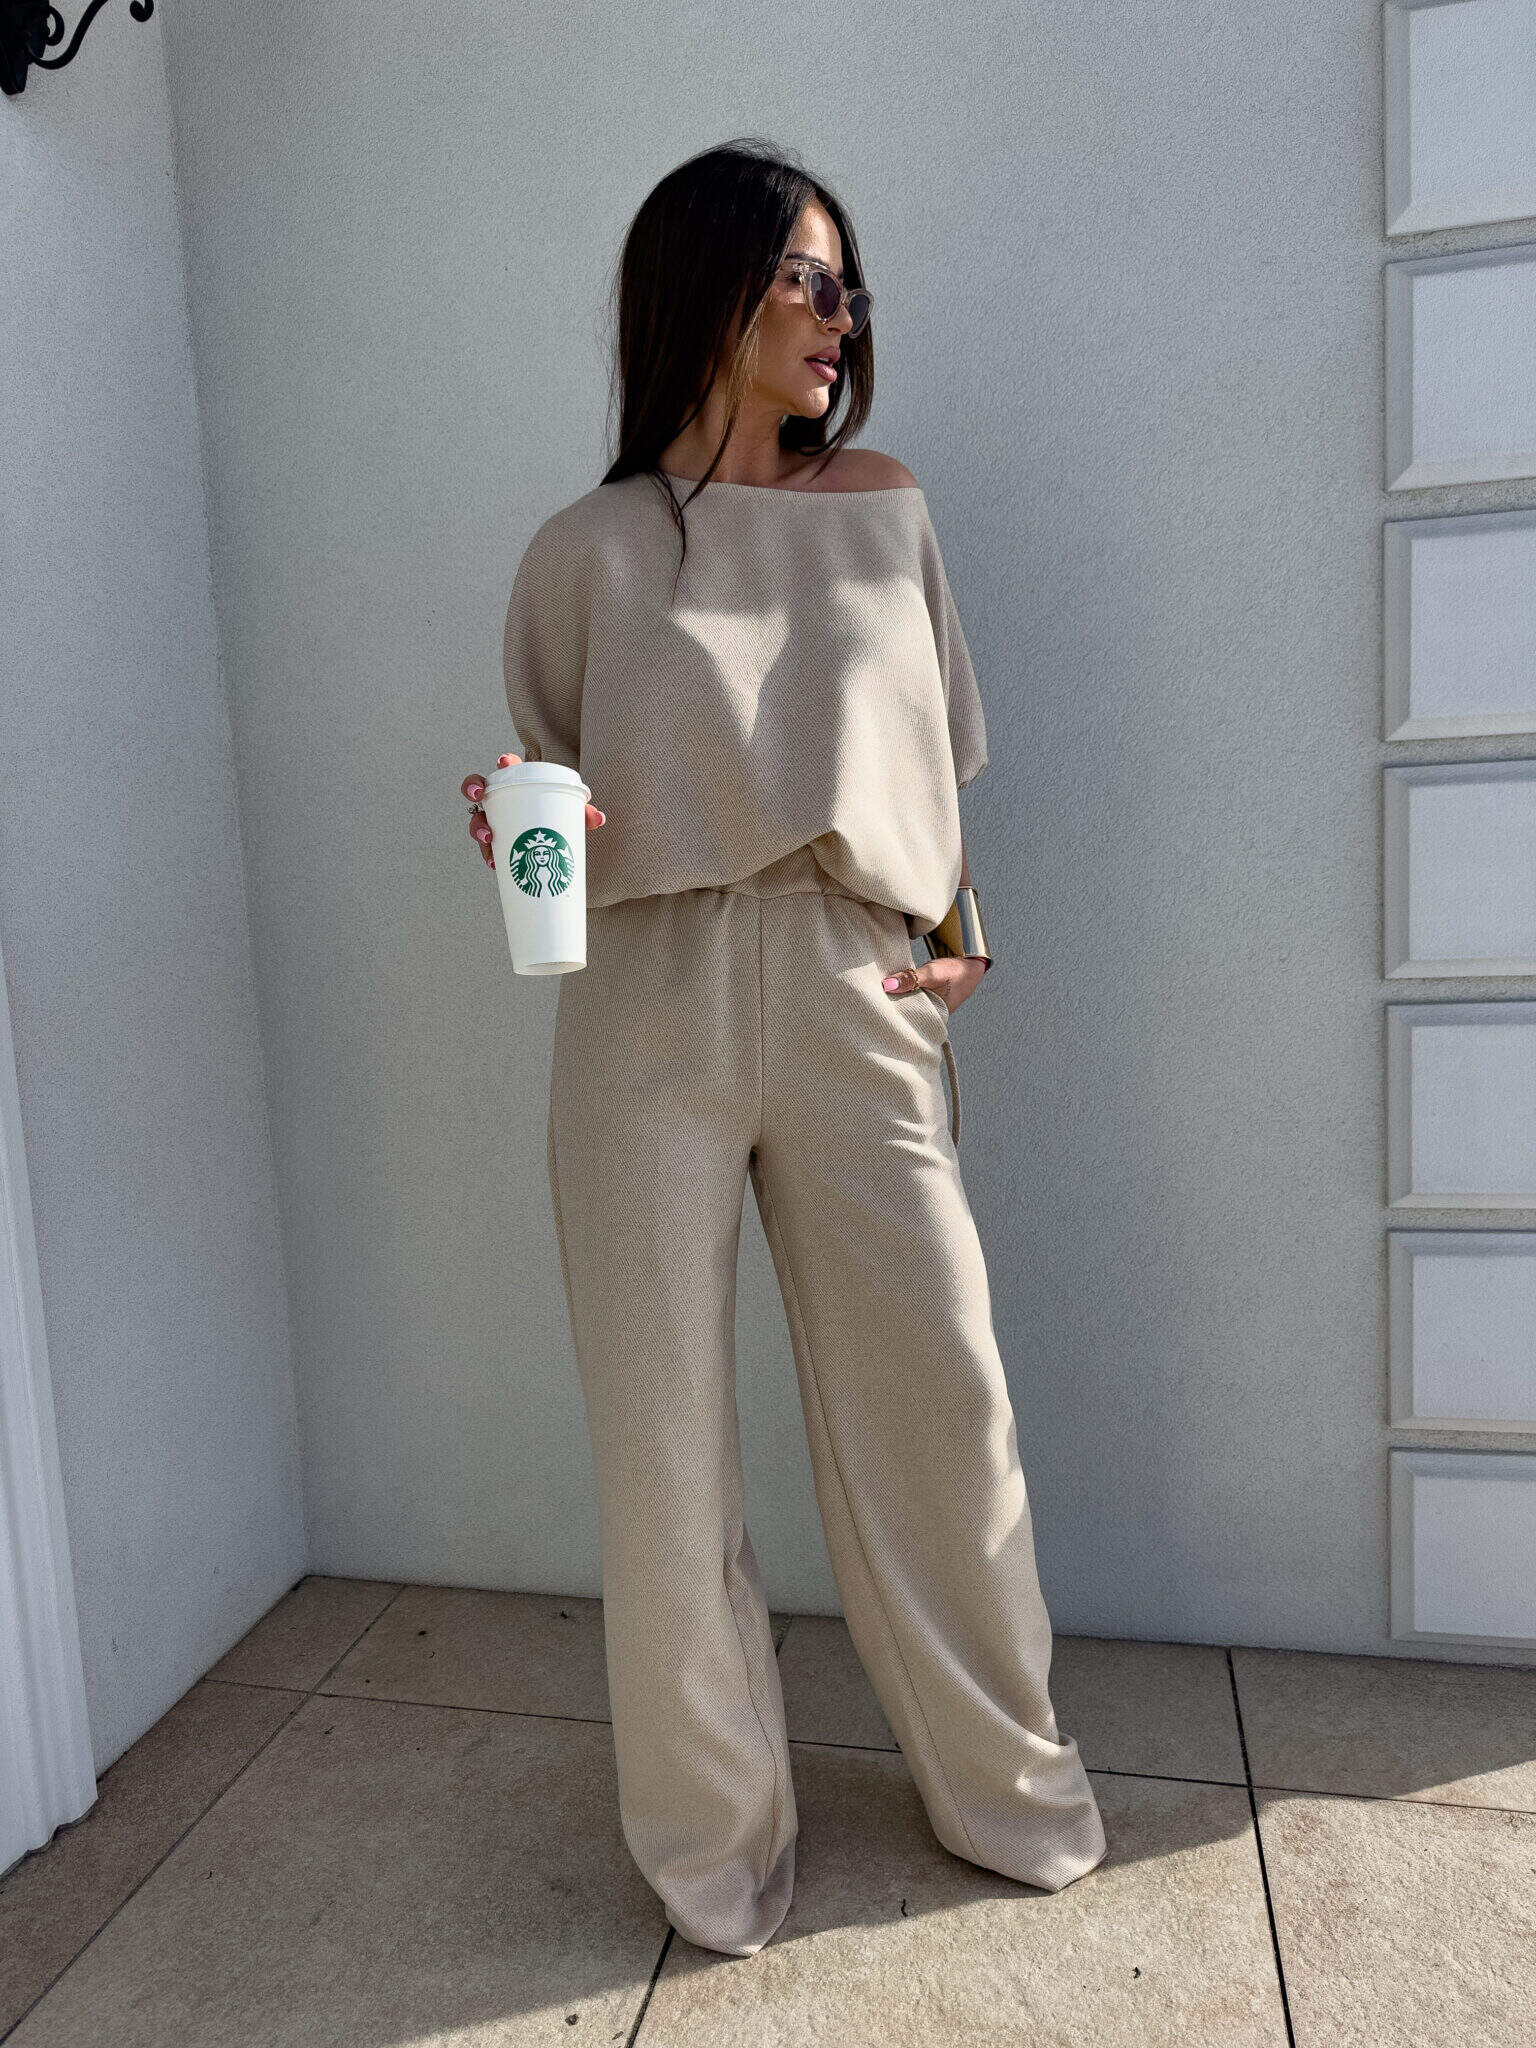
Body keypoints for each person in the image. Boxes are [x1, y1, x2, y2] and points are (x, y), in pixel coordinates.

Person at [461, 137, 1106, 1957]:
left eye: (847, 286)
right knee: (664, 1449)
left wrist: (959, 939)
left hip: (849, 982)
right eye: (805, 279)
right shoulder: (583, 551)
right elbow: (554, 809)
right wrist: (515, 831)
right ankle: (712, 1846)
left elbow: (932, 768)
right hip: (644, 995)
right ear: (708, 287)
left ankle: (1009, 1787)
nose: (839, 318)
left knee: (943, 1411)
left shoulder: (885, 509)